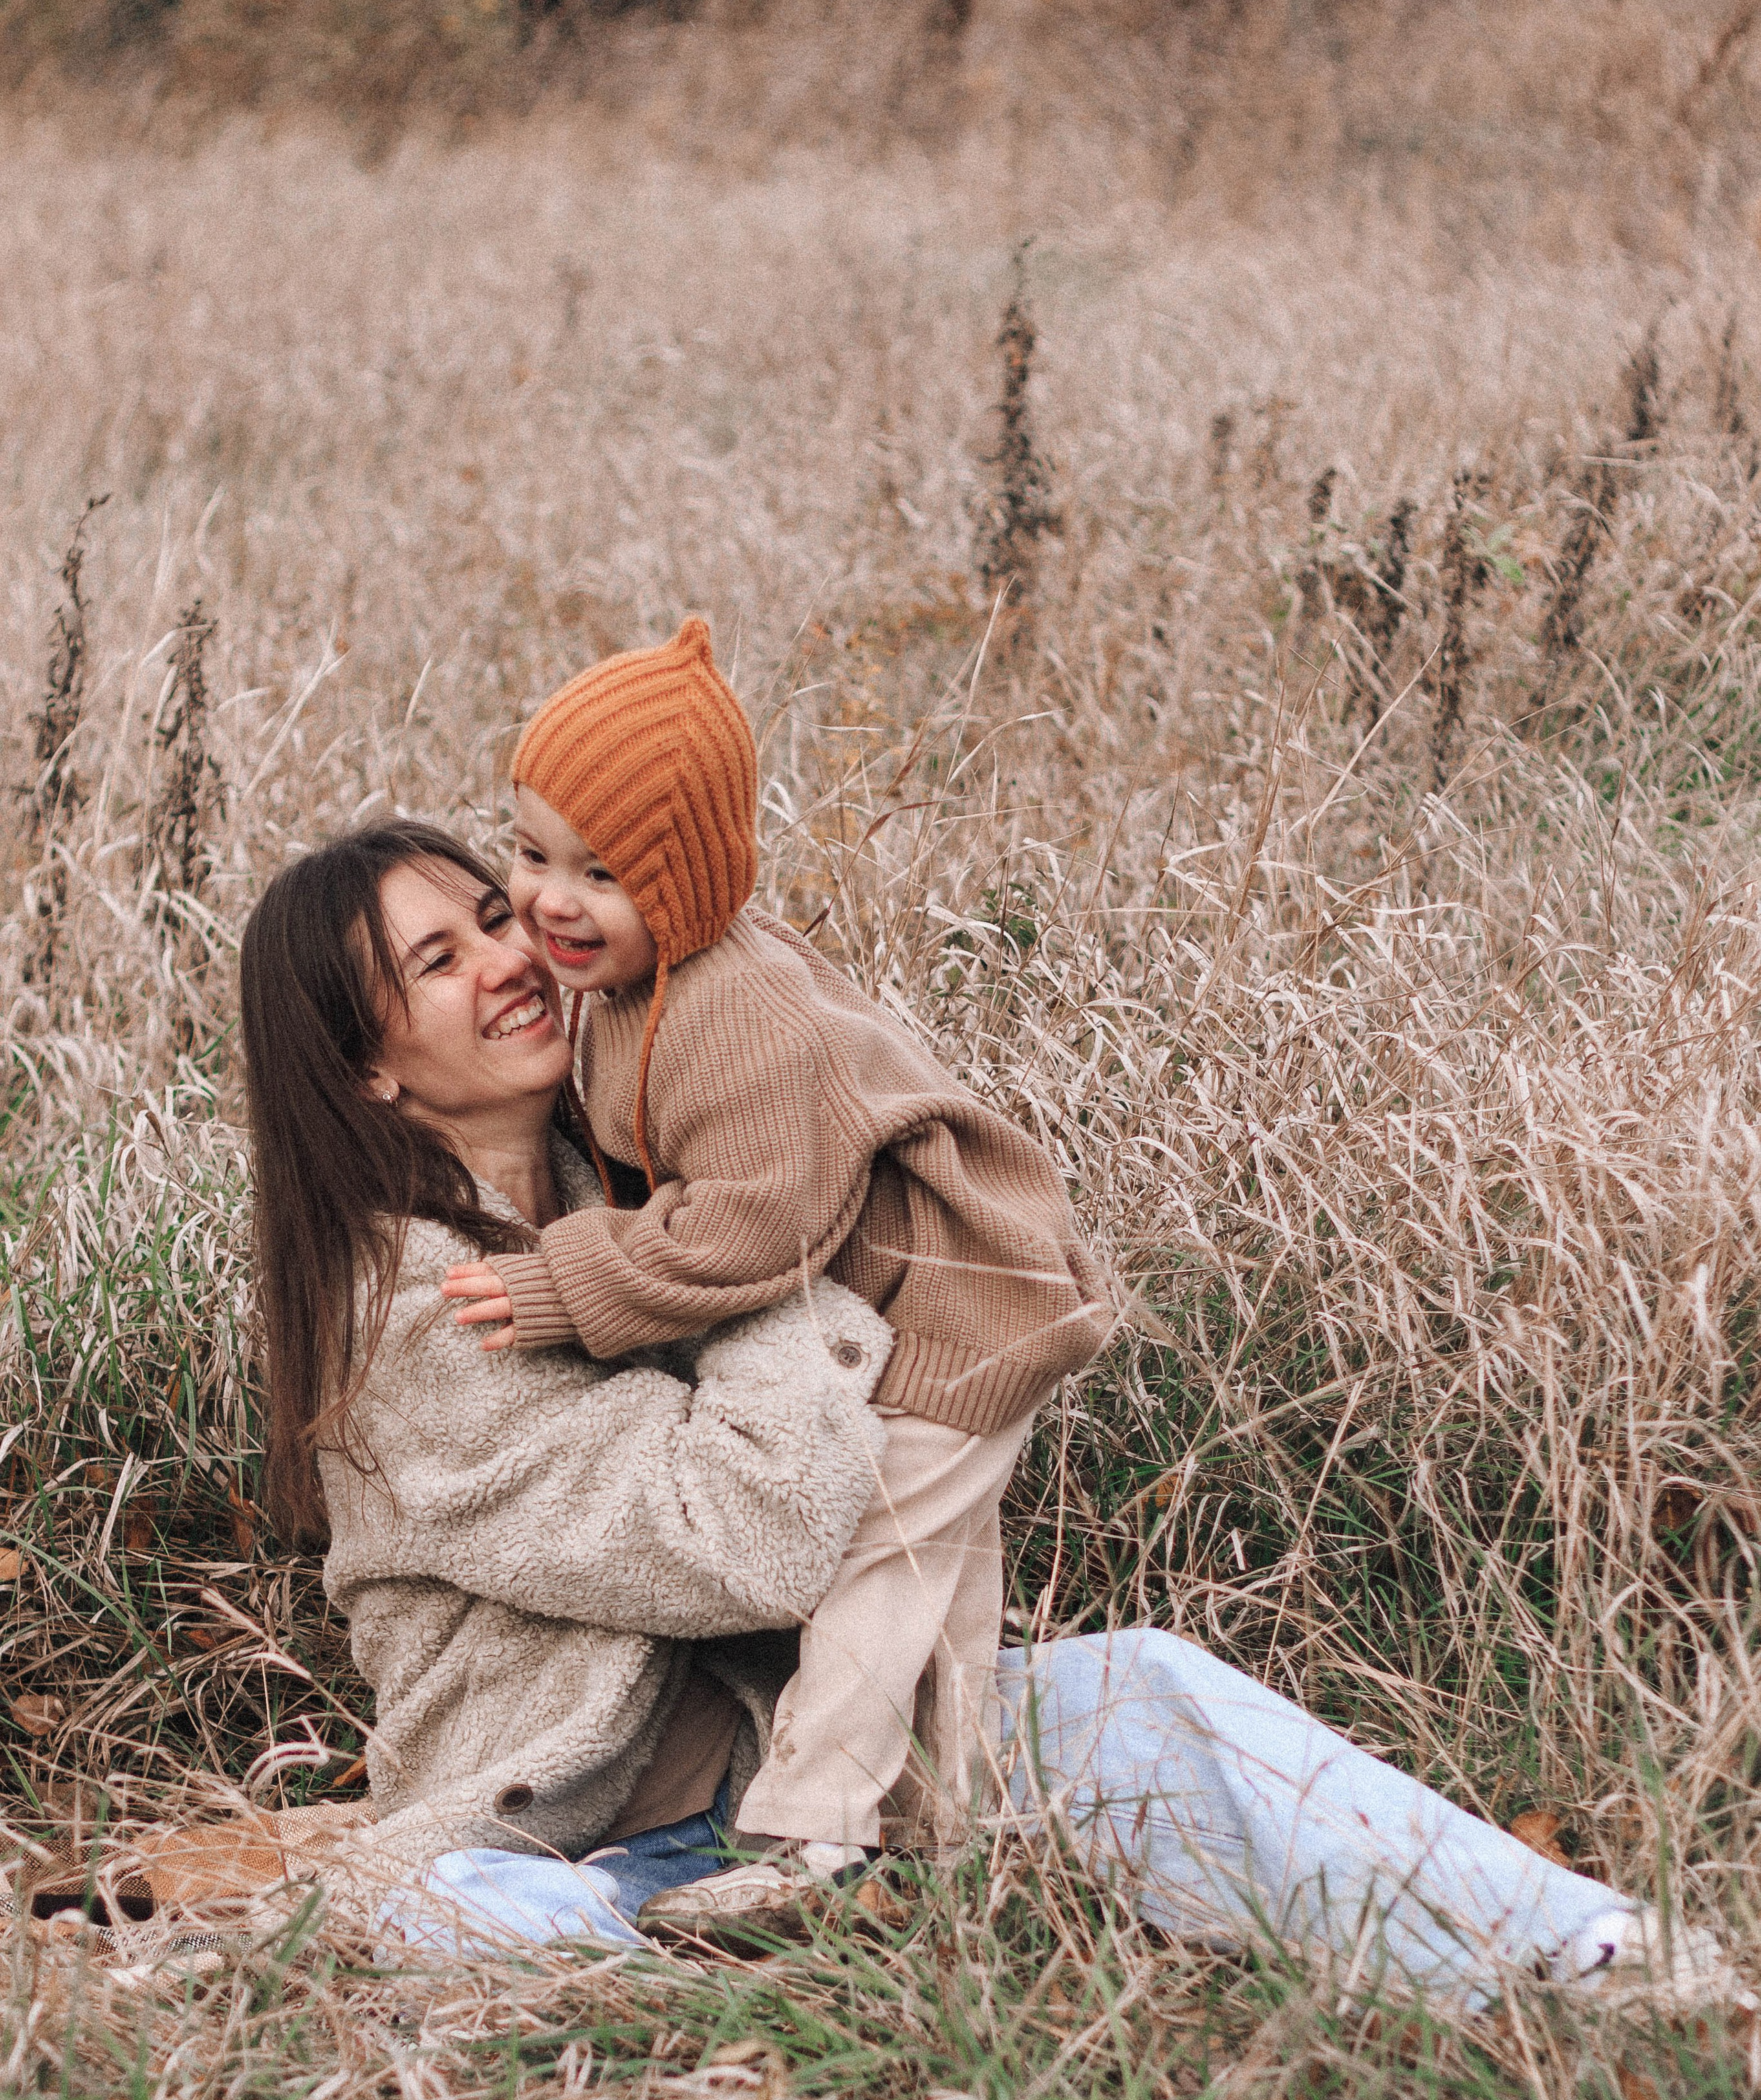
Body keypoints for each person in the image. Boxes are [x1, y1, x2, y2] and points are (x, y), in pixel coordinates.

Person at [233, 817, 1744, 2014]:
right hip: (553, 1829)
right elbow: (743, 1537)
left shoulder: (606, 1180)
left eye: (493, 914)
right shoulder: (412, 1314)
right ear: (366, 1066)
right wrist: (760, 1240)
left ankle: (1603, 1967)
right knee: (462, 1925)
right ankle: (729, 2012)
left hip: (777, 1779)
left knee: (1142, 1696)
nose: (508, 955)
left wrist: (725, 1197)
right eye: (439, 960)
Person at [439, 618, 1112, 1905]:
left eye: (604, 873)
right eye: (529, 853)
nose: (550, 901)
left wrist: (561, 1285)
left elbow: (751, 1232)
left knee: (877, 1565)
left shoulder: (738, 1017)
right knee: (940, 1578)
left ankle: (806, 1842)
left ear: (687, 888)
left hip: (963, 1309)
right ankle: (955, 1828)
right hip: (930, 1304)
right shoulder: (637, 988)